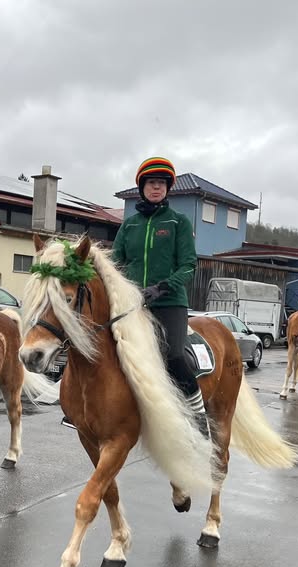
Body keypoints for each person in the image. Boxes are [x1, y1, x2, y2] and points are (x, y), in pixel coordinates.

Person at [111, 156, 208, 439]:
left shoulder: (178, 222)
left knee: (174, 355)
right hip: (133, 304)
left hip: (170, 302)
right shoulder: (129, 225)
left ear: (167, 189)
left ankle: (198, 413)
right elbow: (115, 264)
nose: (156, 187)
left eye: (161, 184)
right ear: (142, 188)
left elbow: (188, 265)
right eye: (151, 183)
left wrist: (162, 287)